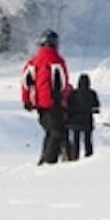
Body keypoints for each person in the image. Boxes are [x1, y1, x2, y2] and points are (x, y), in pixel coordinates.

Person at [20, 30, 71, 165]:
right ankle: (49, 161)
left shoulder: (32, 62)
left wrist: (26, 100)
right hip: (54, 102)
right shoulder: (57, 61)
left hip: (38, 103)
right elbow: (64, 84)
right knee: (57, 132)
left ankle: (44, 159)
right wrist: (63, 98)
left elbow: (25, 82)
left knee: (49, 131)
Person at [64, 73, 100, 160]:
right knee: (88, 140)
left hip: (74, 120)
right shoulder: (92, 93)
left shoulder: (73, 93)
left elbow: (68, 106)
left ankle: (74, 157)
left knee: (75, 140)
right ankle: (89, 157)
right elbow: (96, 106)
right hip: (87, 120)